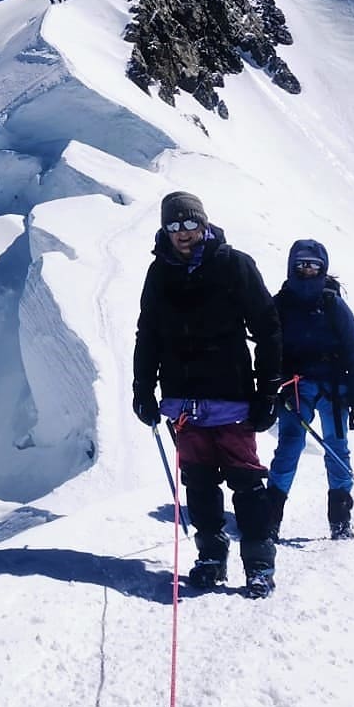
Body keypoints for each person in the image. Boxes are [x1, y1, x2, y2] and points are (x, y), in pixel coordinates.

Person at [132, 192, 283, 598]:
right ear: (165, 230)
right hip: (183, 401)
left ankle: (259, 564)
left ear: (204, 223)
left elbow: (268, 328)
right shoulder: (158, 273)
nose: (183, 233)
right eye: (174, 226)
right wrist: (142, 387)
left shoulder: (234, 265)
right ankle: (211, 557)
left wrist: (268, 389)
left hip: (232, 396)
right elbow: (147, 333)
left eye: (189, 224)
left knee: (247, 483)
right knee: (198, 484)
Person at [264, 240, 354, 541]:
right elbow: (267, 348)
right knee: (289, 446)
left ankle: (340, 518)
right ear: (291, 266)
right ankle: (271, 519)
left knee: (337, 448)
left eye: (313, 265)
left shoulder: (333, 305)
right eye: (301, 265)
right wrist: (271, 387)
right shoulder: (280, 304)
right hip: (295, 387)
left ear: (323, 268)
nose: (306, 270)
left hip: (333, 387)